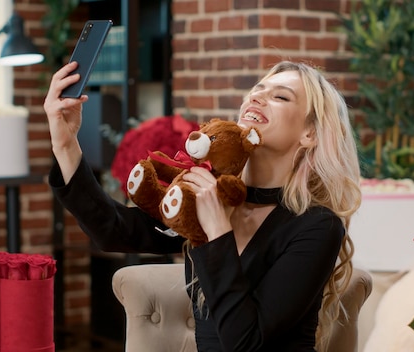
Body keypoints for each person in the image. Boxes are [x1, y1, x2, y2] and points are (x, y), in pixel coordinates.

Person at [44, 60, 362, 351]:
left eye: (280, 97)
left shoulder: (317, 226)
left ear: (310, 133)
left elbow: (246, 342)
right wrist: (65, 143)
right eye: (256, 90)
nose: (257, 98)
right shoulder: (209, 196)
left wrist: (217, 230)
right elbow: (112, 230)